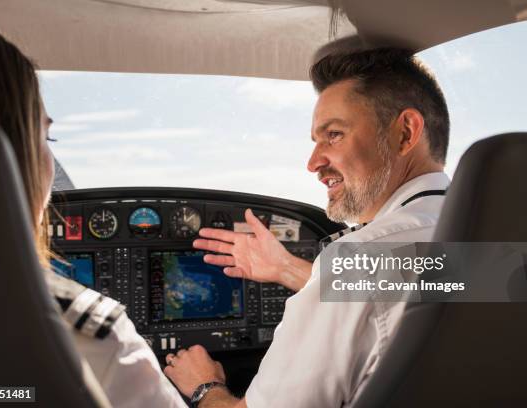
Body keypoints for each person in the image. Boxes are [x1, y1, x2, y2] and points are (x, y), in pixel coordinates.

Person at [163, 48, 451, 407]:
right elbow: (412, 292)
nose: (313, 163)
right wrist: (287, 268)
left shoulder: (360, 260)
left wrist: (204, 386)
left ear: (405, 132)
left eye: (333, 135)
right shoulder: (500, 245)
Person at [0, 16, 186, 408]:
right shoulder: (96, 340)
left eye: (331, 135)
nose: (313, 162)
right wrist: (208, 389)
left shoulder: (330, 272)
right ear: (6, 158)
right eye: (44, 137)